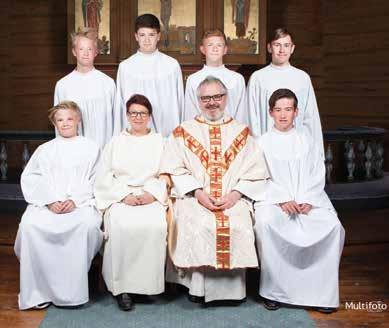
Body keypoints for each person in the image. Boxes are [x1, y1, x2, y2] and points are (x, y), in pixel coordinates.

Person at [160, 76, 268, 303]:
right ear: (198, 101)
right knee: (199, 224)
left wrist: (235, 195)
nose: (212, 102)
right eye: (206, 98)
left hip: (233, 198)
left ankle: (233, 292)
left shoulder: (243, 133)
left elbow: (256, 171)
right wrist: (198, 193)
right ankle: (198, 289)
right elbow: (173, 169)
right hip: (194, 197)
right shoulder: (182, 132)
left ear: (226, 98)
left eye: (217, 96)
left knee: (238, 223)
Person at [254, 89, 345, 313]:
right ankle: (274, 292)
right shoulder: (261, 143)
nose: (283, 115)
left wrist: (308, 199)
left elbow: (317, 172)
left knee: (332, 226)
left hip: (308, 200)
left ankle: (321, 294)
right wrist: (281, 199)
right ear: (270, 113)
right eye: (278, 110)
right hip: (273, 201)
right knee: (266, 223)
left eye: (288, 109)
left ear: (296, 112)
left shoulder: (307, 140)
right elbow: (258, 176)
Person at [14, 101, 103, 310]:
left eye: (69, 118)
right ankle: (38, 292)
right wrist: (50, 200)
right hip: (48, 204)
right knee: (30, 226)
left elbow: (98, 179)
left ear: (78, 120)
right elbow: (31, 178)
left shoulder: (91, 147)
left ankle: (72, 293)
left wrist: (76, 200)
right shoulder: (45, 150)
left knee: (86, 226)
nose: (65, 123)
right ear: (54, 123)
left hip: (80, 204)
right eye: (60, 119)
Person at [94, 94, 168, 311]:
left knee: (155, 225)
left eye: (142, 113)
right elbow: (104, 176)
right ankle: (122, 288)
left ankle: (147, 286)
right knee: (121, 225)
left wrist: (152, 194)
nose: (138, 117)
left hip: (150, 196)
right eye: (134, 113)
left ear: (150, 116)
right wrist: (122, 195)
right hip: (121, 196)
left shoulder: (161, 142)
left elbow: (166, 174)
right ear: (127, 115)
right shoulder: (115, 142)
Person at [247, 27, 324, 155]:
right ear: (269, 48)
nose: (282, 50)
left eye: (286, 45)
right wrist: (258, 149)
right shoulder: (258, 78)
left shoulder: (302, 78)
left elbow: (310, 118)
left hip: (296, 149)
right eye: (277, 45)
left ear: (292, 48)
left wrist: (315, 151)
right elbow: (251, 116)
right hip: (267, 150)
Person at [114, 13, 184, 137]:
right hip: (135, 136)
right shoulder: (126, 67)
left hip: (166, 135)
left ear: (158, 36)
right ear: (136, 36)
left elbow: (179, 104)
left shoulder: (171, 65)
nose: (147, 40)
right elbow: (120, 105)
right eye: (142, 35)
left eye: (151, 35)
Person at [54, 27, 116, 148]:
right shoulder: (63, 85)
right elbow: (59, 123)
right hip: (73, 151)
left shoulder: (107, 83)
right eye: (81, 49)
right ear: (74, 51)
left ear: (96, 52)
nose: (86, 53)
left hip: (102, 150)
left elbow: (115, 121)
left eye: (90, 49)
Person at [183, 29, 246, 124]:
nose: (215, 49)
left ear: (225, 50)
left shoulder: (237, 79)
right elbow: (190, 113)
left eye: (219, 45)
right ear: (203, 49)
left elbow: (242, 112)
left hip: (231, 133)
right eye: (210, 45)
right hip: (201, 133)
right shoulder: (193, 79)